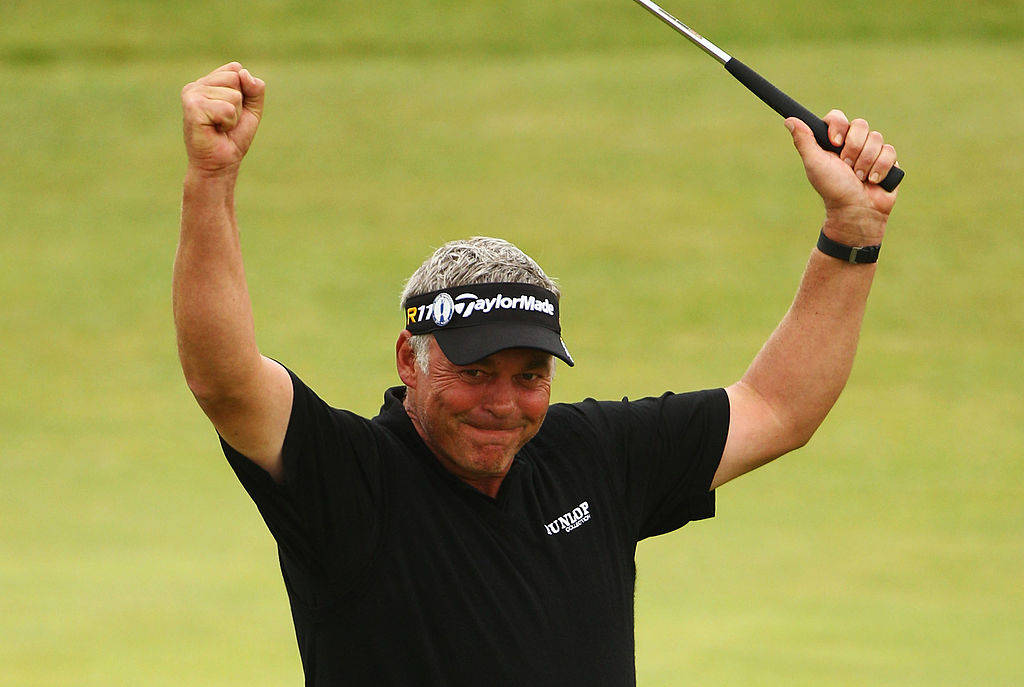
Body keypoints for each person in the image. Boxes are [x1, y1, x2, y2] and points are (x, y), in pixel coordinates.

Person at [174, 62, 899, 686]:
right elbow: (226, 381)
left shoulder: (591, 456)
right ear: (409, 359)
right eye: (476, 370)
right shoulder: (353, 481)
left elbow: (778, 407)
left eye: (530, 375)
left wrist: (853, 234)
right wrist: (212, 178)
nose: (503, 402)